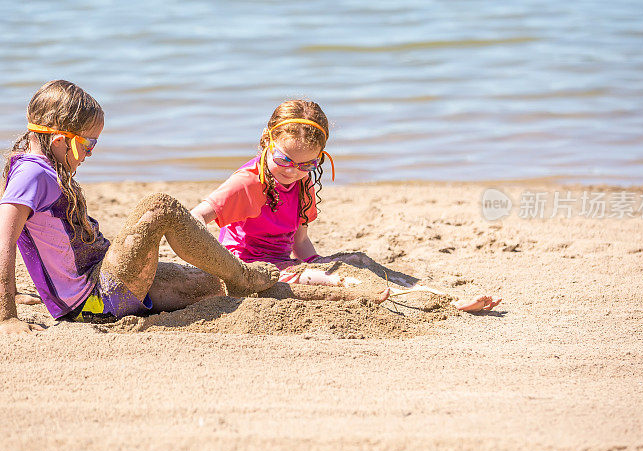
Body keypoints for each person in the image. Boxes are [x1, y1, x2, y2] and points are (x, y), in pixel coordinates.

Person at [0, 80, 279, 335]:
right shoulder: (33, 174)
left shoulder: (43, 171)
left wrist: (19, 292)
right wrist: (7, 318)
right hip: (93, 301)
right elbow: (3, 238)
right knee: (160, 207)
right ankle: (243, 275)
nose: (90, 154)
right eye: (88, 145)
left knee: (209, 285)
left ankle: (238, 279)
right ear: (59, 141)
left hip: (103, 279)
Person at [190, 100, 501, 312]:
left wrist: (317, 261)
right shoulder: (246, 183)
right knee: (334, 280)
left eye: (307, 163)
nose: (292, 170)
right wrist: (215, 265)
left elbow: (299, 242)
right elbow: (194, 218)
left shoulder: (301, 183)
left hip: (284, 264)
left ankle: (443, 298)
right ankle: (401, 302)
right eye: (284, 159)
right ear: (267, 142)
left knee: (358, 261)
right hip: (248, 270)